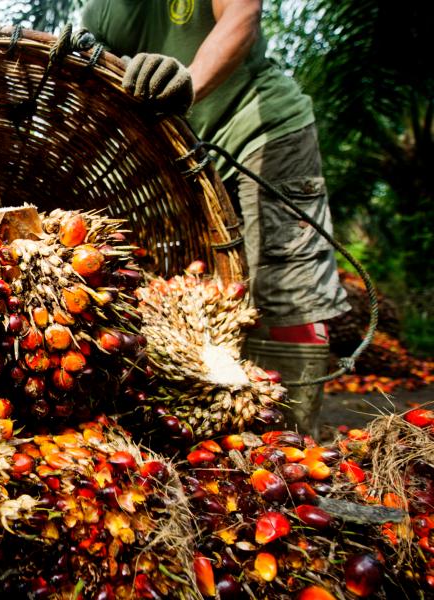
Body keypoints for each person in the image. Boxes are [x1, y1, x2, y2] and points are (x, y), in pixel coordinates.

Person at [80, 0, 350, 437]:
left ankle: (295, 444)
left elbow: (242, 17)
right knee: (203, 300)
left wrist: (188, 82)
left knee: (284, 291)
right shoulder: (100, 13)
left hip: (260, 130)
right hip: (187, 155)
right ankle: (234, 428)